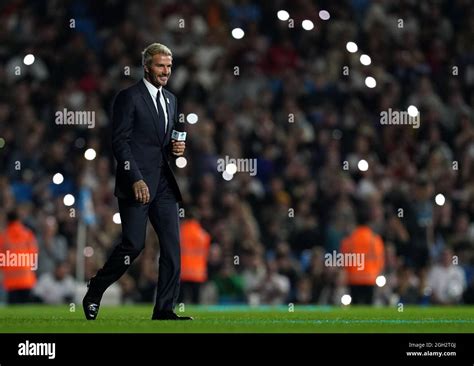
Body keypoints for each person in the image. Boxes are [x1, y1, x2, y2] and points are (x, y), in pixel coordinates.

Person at [83, 43, 191, 320]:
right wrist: (135, 179)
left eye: (168, 66)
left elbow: (159, 144)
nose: (165, 71)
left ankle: (164, 309)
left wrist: (174, 150)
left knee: (171, 246)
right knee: (133, 245)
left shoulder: (171, 100)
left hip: (164, 183)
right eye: (160, 66)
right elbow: (120, 142)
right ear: (146, 66)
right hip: (137, 183)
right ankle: (96, 288)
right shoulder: (128, 97)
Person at [340, 204, 385, 304]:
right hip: (370, 278)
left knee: (355, 305)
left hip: (353, 279)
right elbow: (380, 260)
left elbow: (345, 260)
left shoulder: (349, 240)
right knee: (369, 306)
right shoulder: (375, 240)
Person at [0, 211, 38, 304]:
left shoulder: (4, 236)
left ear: (7, 220)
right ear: (19, 219)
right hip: (26, 278)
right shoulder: (28, 234)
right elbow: (34, 253)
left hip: (11, 280)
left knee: (13, 311)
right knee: (26, 311)